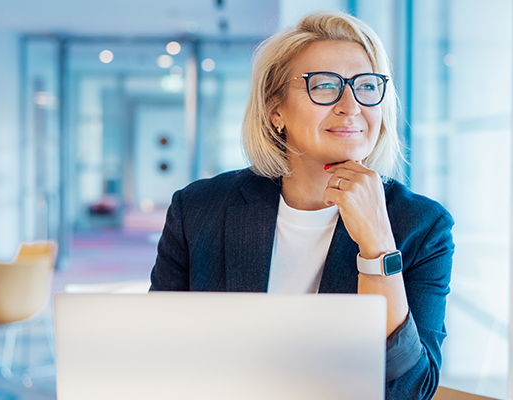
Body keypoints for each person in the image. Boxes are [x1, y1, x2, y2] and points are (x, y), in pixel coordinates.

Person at [149, 11, 454, 400]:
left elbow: (409, 391)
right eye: (325, 86)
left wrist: (377, 246)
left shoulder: (422, 226)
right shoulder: (198, 210)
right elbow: (157, 355)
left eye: (365, 86)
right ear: (276, 111)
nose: (350, 105)